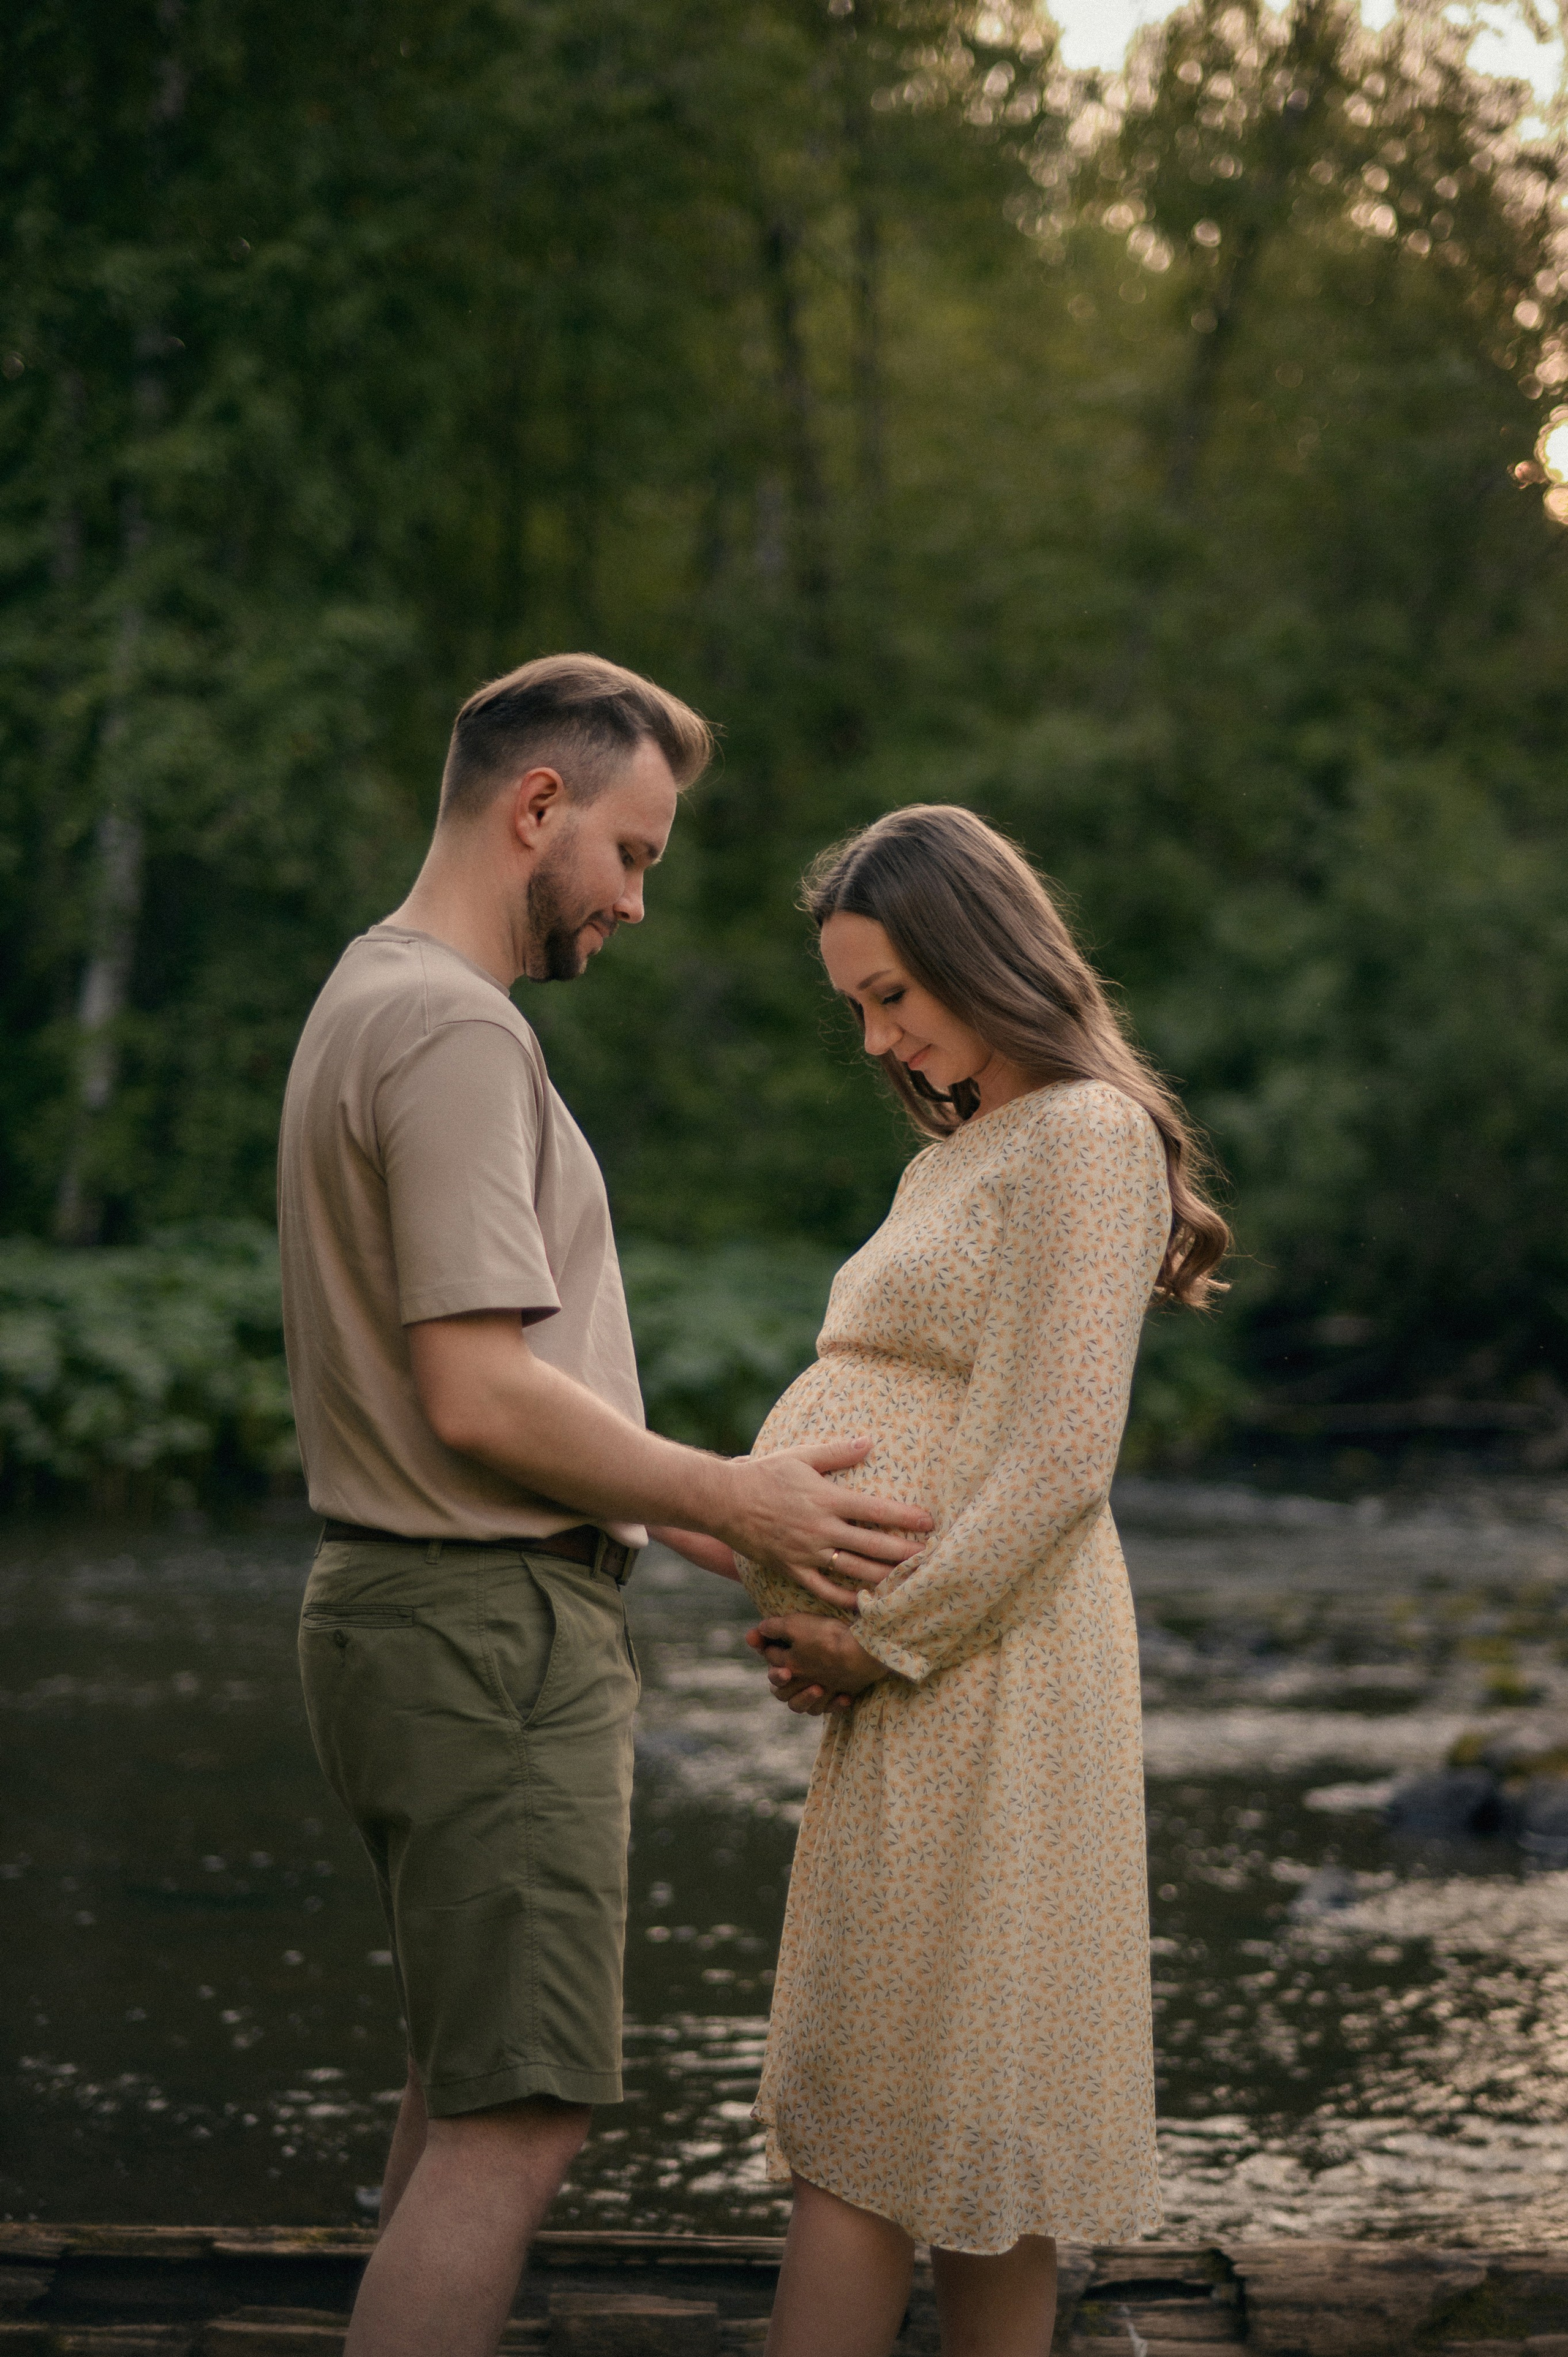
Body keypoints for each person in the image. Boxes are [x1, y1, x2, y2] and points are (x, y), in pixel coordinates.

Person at [277, 654, 932, 2357]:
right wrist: (730, 1486)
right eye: (634, 853)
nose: (637, 899)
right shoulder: (450, 1028)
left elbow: (509, 1394)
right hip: (487, 1639)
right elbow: (474, 1392)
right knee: (520, 2120)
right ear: (538, 809)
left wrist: (728, 1529)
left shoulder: (369, 993)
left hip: (414, 1615)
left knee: (459, 2088)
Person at [662, 804, 1229, 2357]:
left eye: (891, 993)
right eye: (853, 1002)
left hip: (985, 1662)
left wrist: (880, 1636)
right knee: (909, 2089)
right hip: (920, 1665)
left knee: (942, 2104)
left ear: (985, 955)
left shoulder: (1087, 1136)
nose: (873, 1035)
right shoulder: (965, 1153)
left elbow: (1055, 1458)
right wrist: (660, 1499)